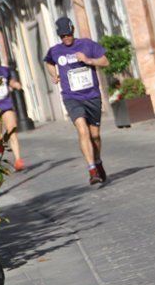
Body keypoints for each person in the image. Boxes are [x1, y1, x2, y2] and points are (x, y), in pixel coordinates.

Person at [43, 17, 110, 185]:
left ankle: (98, 161)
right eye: (62, 35)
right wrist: (54, 74)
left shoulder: (87, 44)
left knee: (95, 136)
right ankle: (92, 169)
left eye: (68, 34)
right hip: (72, 97)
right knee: (82, 131)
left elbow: (105, 61)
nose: (66, 38)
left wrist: (89, 60)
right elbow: (48, 62)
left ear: (73, 31)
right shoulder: (55, 50)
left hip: (92, 95)